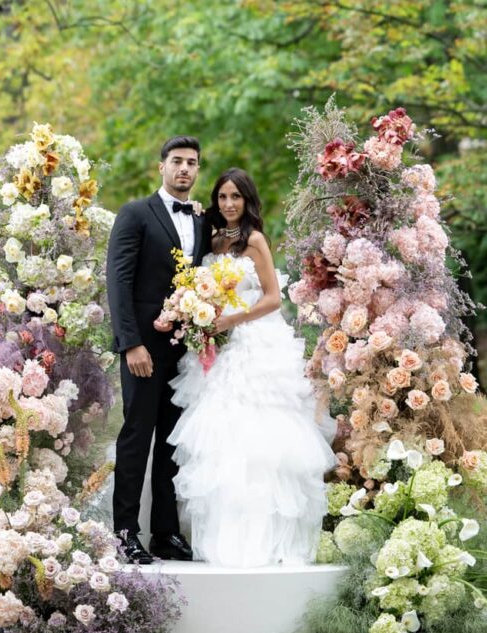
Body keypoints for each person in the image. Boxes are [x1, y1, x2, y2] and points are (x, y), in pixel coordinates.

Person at [168, 168, 336, 568]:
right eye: (223, 197)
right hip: (216, 348)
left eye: (236, 197)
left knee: (258, 436)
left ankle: (265, 538)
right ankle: (220, 536)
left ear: (247, 200)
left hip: (253, 344)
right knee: (218, 436)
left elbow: (274, 298)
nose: (228, 204)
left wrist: (231, 319)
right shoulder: (209, 239)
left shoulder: (255, 240)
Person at [105, 135, 206, 564]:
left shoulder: (201, 221)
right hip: (143, 350)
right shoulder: (134, 214)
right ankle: (125, 534)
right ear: (161, 167)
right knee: (136, 437)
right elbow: (118, 281)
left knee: (172, 443)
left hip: (184, 350)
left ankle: (165, 533)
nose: (184, 169)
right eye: (177, 161)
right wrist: (131, 344)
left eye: (192, 163)